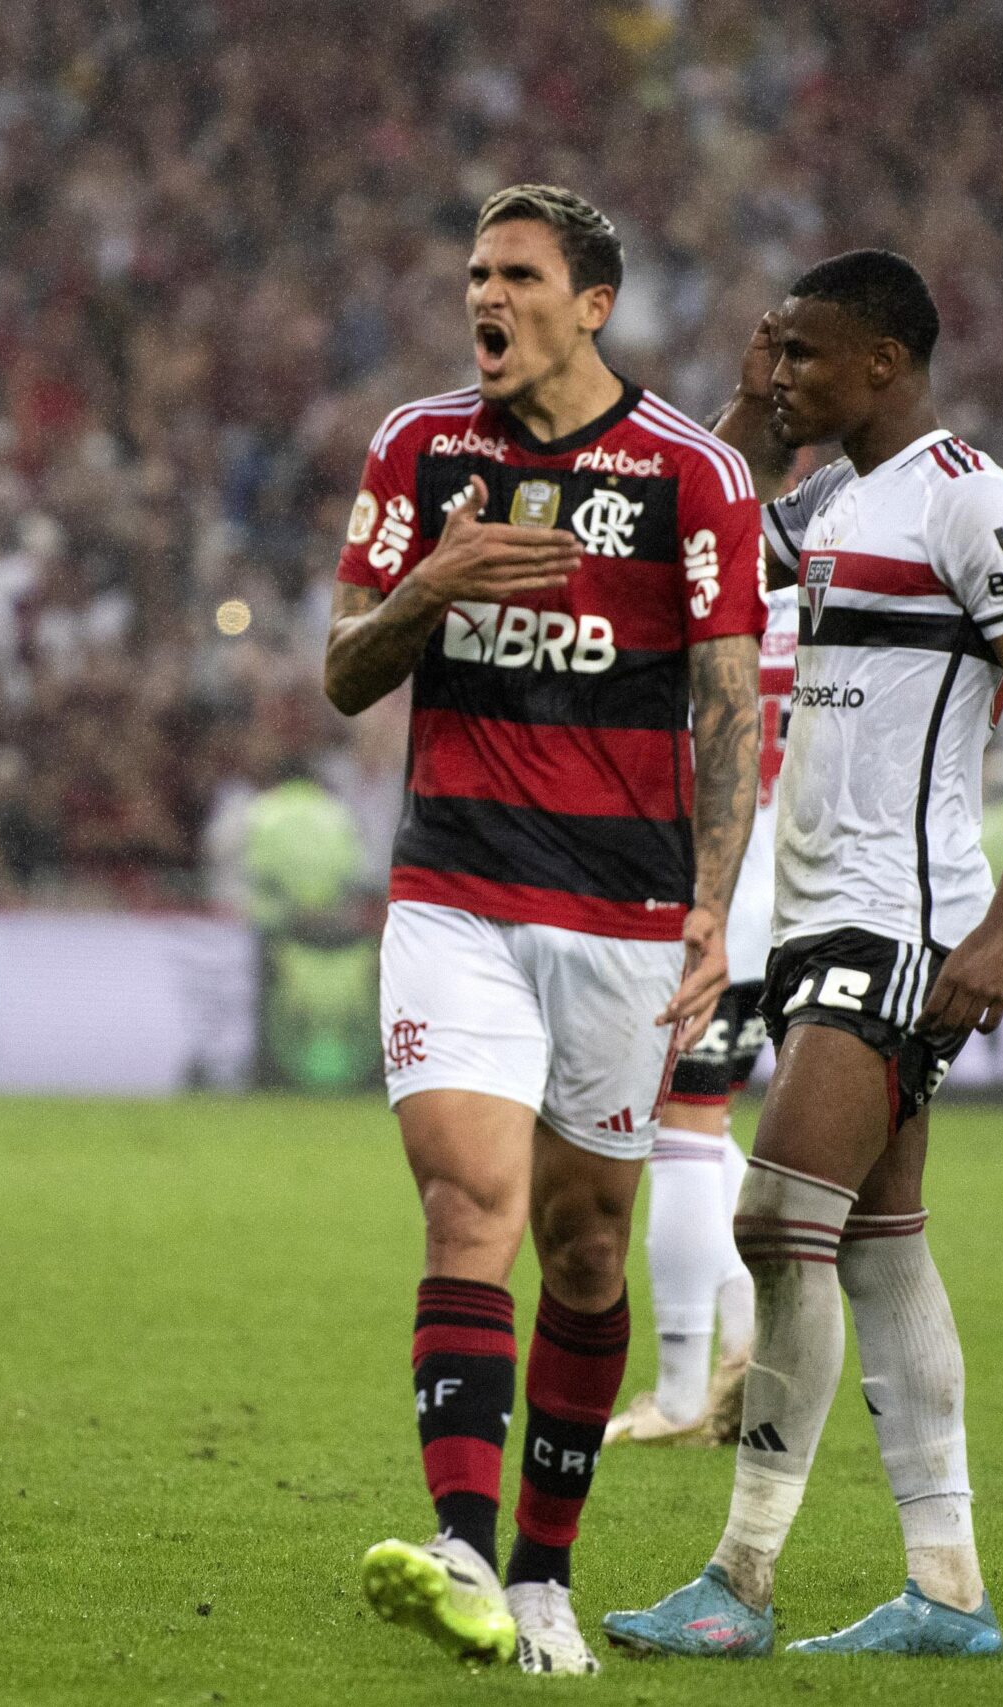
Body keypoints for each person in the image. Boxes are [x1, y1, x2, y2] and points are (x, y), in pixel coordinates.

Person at [604, 250, 1003, 1660]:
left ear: (886, 362)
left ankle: (741, 1578)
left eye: (807, 357)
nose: (782, 378)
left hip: (908, 918)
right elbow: (689, 520)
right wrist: (758, 405)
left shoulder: (976, 503)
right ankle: (947, 1587)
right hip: (821, 911)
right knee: (879, 1249)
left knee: (776, 1222)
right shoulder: (826, 500)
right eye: (774, 353)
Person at [322, 185, 763, 1674]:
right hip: (455, 891)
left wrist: (713, 902)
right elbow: (340, 667)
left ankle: (542, 1573)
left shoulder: (690, 474)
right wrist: (432, 585)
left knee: (585, 1245)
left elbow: (726, 705)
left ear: (594, 303)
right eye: (473, 274)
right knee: (471, 1206)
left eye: (517, 275)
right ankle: (456, 1539)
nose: (483, 298)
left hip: (625, 912)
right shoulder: (419, 448)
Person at [605, 578, 797, 1449]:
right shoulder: (822, 597)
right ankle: (743, 1344)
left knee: (675, 1130)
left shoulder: (701, 591)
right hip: (786, 899)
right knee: (697, 1121)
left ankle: (682, 1396)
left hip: (700, 895)